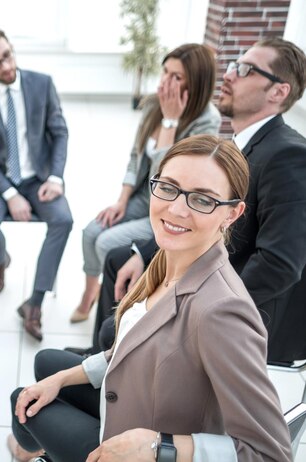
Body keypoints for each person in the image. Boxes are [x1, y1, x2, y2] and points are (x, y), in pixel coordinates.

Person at [8, 135, 291, 462]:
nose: (176, 209)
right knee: (47, 365)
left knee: (22, 404)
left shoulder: (222, 312)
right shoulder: (171, 256)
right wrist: (61, 380)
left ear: (232, 214)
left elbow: (271, 453)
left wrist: (160, 446)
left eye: (202, 200)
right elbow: (135, 342)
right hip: (129, 403)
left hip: (141, 447)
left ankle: (30, 452)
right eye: (168, 187)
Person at [69, 37, 306, 364]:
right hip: (204, 265)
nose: (228, 75)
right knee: (118, 259)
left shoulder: (289, 155)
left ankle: (112, 369)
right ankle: (103, 361)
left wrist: (195, 309)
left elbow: (279, 264)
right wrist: (146, 252)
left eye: (245, 69)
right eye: (233, 65)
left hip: (231, 302)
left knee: (115, 326)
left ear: (278, 91)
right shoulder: (240, 144)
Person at [71, 43, 221, 324]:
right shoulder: (155, 103)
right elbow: (135, 156)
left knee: (106, 243)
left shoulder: (206, 121)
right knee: (91, 231)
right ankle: (89, 294)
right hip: (141, 195)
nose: (166, 82)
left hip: (169, 205)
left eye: (177, 77)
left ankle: (114, 308)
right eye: (165, 72)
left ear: (196, 83)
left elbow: (165, 181)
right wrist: (122, 200)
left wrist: (171, 122)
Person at [0, 27, 73, 341]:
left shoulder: (42, 83)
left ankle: (34, 303)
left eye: (7, 56)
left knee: (64, 220)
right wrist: (10, 194)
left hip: (38, 176)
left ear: (12, 49)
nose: (6, 66)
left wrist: (55, 177)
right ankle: (1, 260)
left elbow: (60, 133)